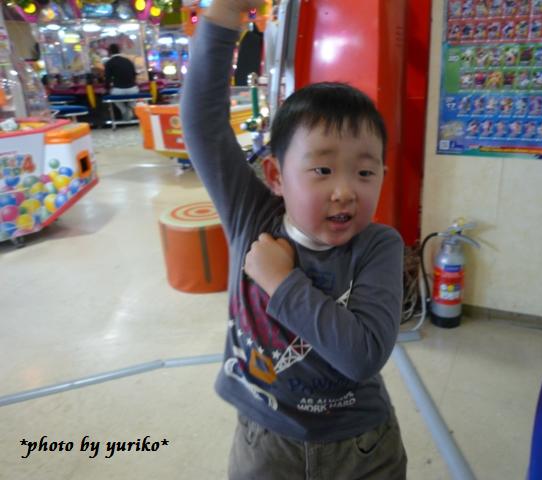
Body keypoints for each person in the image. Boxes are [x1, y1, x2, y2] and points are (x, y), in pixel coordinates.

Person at [181, 1, 407, 478]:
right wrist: (224, 15)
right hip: (265, 439)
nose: (345, 190)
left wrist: (280, 281)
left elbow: (362, 356)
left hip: (360, 447)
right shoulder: (252, 215)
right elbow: (202, 124)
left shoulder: (378, 246)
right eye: (322, 169)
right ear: (276, 176)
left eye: (365, 172)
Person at [103, 43, 138, 121]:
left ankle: (124, 111)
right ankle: (130, 110)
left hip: (118, 90)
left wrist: (107, 88)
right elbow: (134, 75)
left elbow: (107, 79)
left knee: (114, 97)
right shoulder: (128, 61)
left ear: (109, 52)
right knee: (133, 98)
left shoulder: (109, 63)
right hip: (132, 89)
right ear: (119, 51)